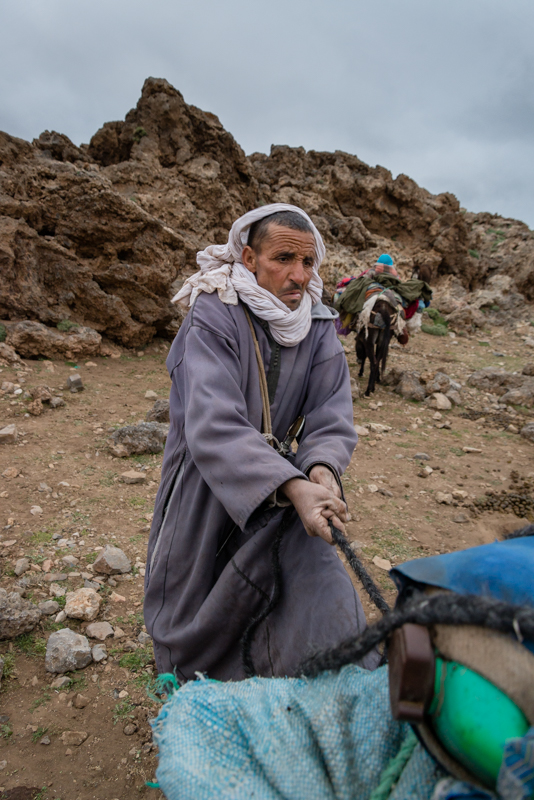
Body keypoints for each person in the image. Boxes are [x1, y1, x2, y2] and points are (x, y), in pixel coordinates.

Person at [144, 203, 376, 681]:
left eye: (308, 263)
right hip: (206, 478)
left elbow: (332, 413)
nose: (298, 275)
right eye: (283, 259)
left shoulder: (317, 326)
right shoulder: (214, 313)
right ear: (249, 259)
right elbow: (212, 422)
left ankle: (300, 673)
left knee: (314, 582)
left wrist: (322, 470)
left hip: (288, 480)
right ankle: (185, 668)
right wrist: (292, 484)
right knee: (192, 584)